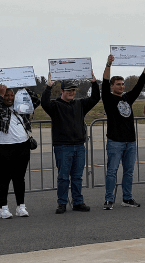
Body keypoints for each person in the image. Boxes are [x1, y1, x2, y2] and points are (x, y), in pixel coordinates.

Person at [41, 72, 101, 213]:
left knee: (77, 177)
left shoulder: (80, 104)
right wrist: (48, 86)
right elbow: (44, 103)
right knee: (63, 177)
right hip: (63, 146)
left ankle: (78, 202)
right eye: (68, 90)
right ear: (62, 91)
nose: (71, 93)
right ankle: (62, 203)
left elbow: (95, 98)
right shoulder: (55, 106)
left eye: (73, 90)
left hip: (79, 146)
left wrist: (94, 82)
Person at [101, 55, 145, 210]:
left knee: (129, 172)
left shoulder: (128, 98)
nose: (121, 86)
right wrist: (108, 64)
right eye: (118, 84)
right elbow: (103, 83)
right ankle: (109, 200)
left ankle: (127, 198)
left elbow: (139, 85)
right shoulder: (108, 99)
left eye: (123, 84)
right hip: (115, 141)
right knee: (112, 171)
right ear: (112, 86)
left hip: (130, 141)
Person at [0, 84, 40, 219]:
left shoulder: (21, 108)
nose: (9, 98)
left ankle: (21, 206)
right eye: (7, 95)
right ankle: (3, 208)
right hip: (1, 147)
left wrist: (24, 89)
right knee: (3, 178)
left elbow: (36, 101)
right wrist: (0, 95)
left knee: (19, 178)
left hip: (22, 146)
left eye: (12, 95)